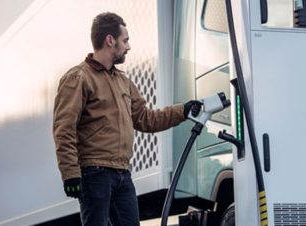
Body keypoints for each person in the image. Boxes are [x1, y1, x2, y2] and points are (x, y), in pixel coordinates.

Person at [52, 12, 202, 226]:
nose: (128, 46)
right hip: (95, 172)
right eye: (125, 40)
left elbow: (145, 119)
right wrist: (70, 174)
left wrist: (183, 111)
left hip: (122, 173)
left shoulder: (123, 81)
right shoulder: (78, 78)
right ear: (110, 40)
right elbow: (64, 128)